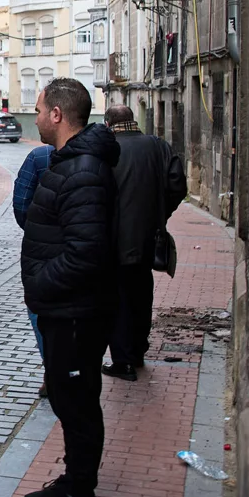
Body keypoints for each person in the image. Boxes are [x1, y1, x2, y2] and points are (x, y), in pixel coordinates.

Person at [19, 78, 120, 497]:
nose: (36, 118)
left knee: (78, 404)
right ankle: (73, 481)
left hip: (75, 310)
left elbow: (86, 251)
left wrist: (41, 282)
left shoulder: (81, 171)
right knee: (66, 398)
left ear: (57, 115)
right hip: (66, 309)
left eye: (39, 111)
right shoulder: (71, 163)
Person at [101, 105, 188, 381]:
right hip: (148, 238)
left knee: (117, 299)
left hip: (114, 241)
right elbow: (178, 185)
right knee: (141, 294)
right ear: (132, 121)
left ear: (108, 123)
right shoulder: (158, 146)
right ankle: (138, 351)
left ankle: (123, 361)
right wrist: (159, 214)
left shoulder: (107, 150)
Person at [13, 142, 54, 396]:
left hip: (44, 252)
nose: (36, 118)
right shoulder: (100, 155)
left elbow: (21, 202)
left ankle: (53, 369)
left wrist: (36, 230)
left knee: (39, 310)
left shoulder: (40, 157)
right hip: (89, 250)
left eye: (39, 112)